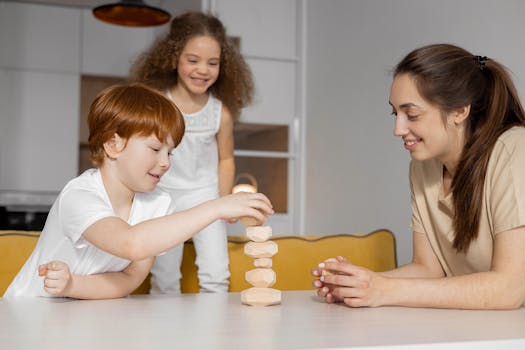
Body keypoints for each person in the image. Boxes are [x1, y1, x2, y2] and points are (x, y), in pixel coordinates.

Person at [3, 83, 272, 299]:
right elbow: (130, 243)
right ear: (113, 145)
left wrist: (73, 285)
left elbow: (129, 278)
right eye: (156, 149)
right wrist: (217, 205)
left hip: (83, 321)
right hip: (26, 315)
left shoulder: (158, 202)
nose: (166, 162)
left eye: (170, 152)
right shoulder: (80, 195)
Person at [312, 44, 525, 309]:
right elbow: (428, 268)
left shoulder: (514, 150)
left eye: (411, 114)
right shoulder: (423, 167)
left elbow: (509, 289)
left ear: (460, 110)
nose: (398, 129)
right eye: (395, 113)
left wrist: (383, 289)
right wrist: (361, 284)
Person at [130, 12, 254, 293]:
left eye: (213, 63)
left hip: (205, 197)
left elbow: (226, 159)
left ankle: (215, 333)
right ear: (173, 57)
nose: (203, 70)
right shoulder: (160, 105)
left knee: (216, 275)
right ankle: (167, 335)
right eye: (193, 60)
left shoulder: (219, 113)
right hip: (164, 197)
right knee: (164, 278)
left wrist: (224, 202)